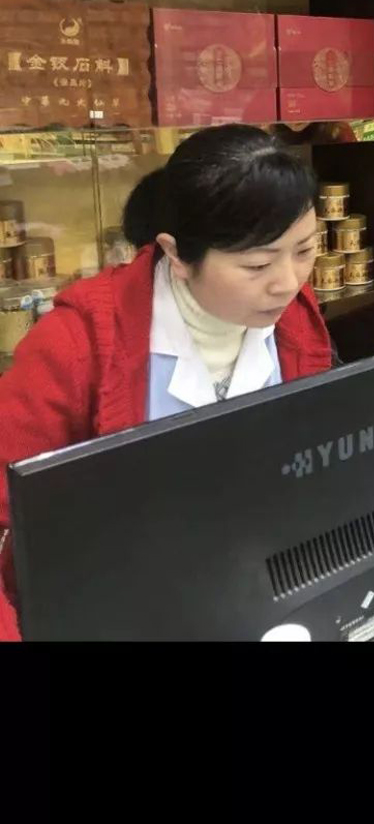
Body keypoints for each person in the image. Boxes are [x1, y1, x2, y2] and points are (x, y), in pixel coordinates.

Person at [0, 126, 333, 642]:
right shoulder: (77, 343)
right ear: (176, 256)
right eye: (257, 264)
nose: (288, 283)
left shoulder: (292, 317)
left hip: (247, 594)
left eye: (305, 250)